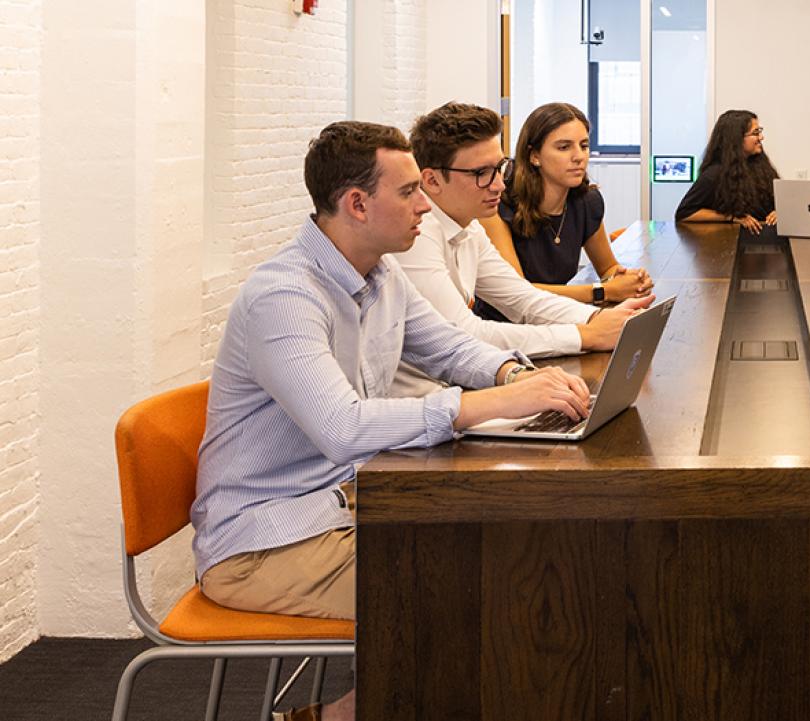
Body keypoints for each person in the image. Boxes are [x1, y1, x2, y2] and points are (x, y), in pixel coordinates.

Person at [190, 121, 592, 721]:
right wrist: (481, 406)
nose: (424, 204)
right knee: (467, 592)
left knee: (496, 554)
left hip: (345, 507)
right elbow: (343, 428)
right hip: (264, 542)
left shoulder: (380, 274)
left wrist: (514, 378)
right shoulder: (284, 297)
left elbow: (451, 349)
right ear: (357, 204)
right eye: (408, 191)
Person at [393, 102, 653, 396]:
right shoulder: (415, 234)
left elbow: (522, 298)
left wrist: (595, 319)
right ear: (431, 180)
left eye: (499, 168)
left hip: (454, 389)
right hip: (422, 405)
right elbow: (466, 334)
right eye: (481, 173)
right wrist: (585, 334)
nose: (499, 186)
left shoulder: (469, 225)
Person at [479, 102, 652, 309]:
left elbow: (608, 268)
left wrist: (630, 281)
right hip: (504, 328)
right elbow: (518, 293)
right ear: (534, 156)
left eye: (584, 146)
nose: (579, 156)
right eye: (564, 147)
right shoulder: (496, 205)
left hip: (558, 318)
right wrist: (602, 291)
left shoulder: (587, 201)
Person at [675, 109, 779, 234]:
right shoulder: (714, 174)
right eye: (755, 133)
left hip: (767, 240)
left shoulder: (762, 167)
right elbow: (685, 213)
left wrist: (780, 212)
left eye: (760, 132)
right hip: (731, 242)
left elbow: (778, 201)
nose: (761, 137)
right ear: (737, 139)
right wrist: (731, 217)